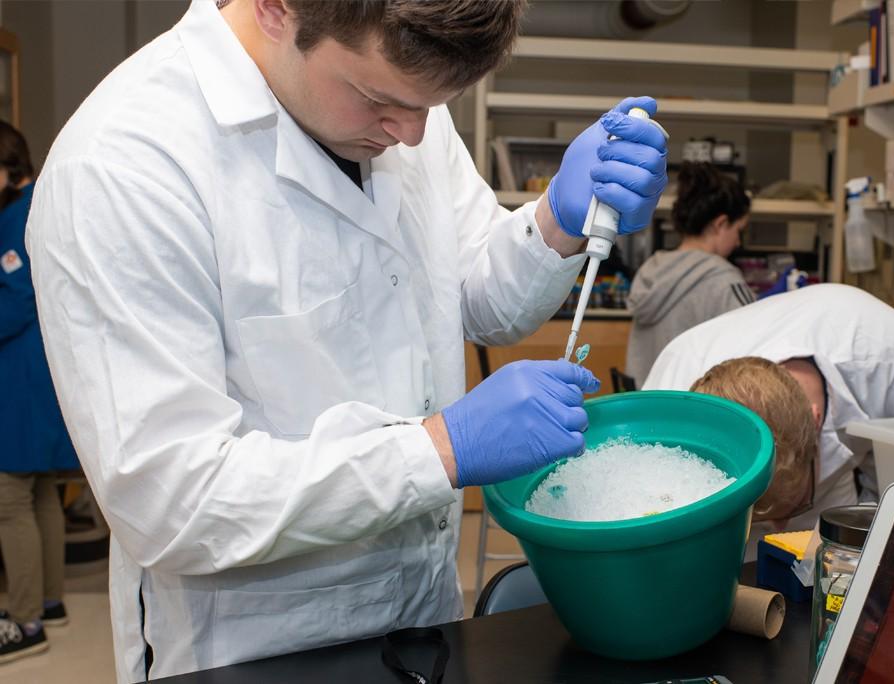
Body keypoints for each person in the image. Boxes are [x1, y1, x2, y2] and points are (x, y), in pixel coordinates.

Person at [25, 1, 668, 681]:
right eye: (378, 100)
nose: (414, 136)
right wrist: (440, 449)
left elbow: (477, 295)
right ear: (276, 9)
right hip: (254, 651)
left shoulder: (402, 102)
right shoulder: (125, 167)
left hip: (421, 622)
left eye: (434, 106)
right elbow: (172, 499)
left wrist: (558, 221)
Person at [644, 284, 894, 556]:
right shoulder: (671, 400)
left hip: (831, 486)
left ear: (815, 419)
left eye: (794, 506)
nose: (778, 527)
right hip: (724, 515)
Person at [0, 122, 77, 664]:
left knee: (8, 498)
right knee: (42, 490)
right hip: (40, 373)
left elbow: (15, 300)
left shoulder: (14, 218)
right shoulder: (34, 203)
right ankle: (49, 602)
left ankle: (24, 620)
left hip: (19, 378)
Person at [625, 161, 754, 386]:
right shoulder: (724, 281)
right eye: (738, 230)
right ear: (721, 224)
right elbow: (752, 359)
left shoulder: (651, 270)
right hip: (692, 415)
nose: (738, 242)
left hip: (644, 411)